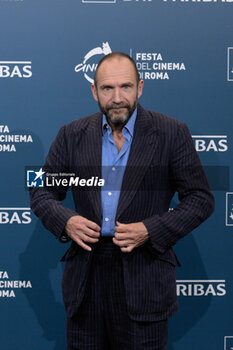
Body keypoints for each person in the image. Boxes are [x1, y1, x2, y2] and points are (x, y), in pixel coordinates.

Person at [30, 52, 214, 350]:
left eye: (125, 87)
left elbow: (201, 199)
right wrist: (66, 220)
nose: (117, 98)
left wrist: (150, 230)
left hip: (145, 277)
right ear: (94, 92)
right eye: (107, 89)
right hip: (86, 282)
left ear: (140, 87)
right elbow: (39, 189)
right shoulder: (71, 134)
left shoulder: (172, 133)